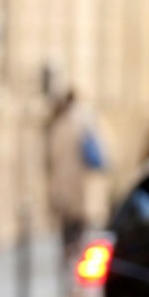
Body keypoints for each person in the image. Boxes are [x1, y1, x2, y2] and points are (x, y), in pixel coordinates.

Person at [47, 88, 110, 270]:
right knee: (79, 217)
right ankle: (75, 250)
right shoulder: (86, 121)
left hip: (63, 180)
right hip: (81, 180)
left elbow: (52, 155)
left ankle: (68, 250)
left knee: (67, 217)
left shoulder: (59, 123)